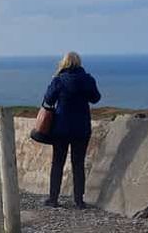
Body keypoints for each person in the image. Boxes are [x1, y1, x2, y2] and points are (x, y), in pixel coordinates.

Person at [42, 52, 101, 209]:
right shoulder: (88, 79)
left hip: (60, 128)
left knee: (58, 163)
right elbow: (96, 98)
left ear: (64, 63)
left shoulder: (59, 80)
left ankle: (53, 199)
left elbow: (48, 100)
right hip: (81, 128)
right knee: (78, 163)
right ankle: (79, 201)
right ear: (79, 63)